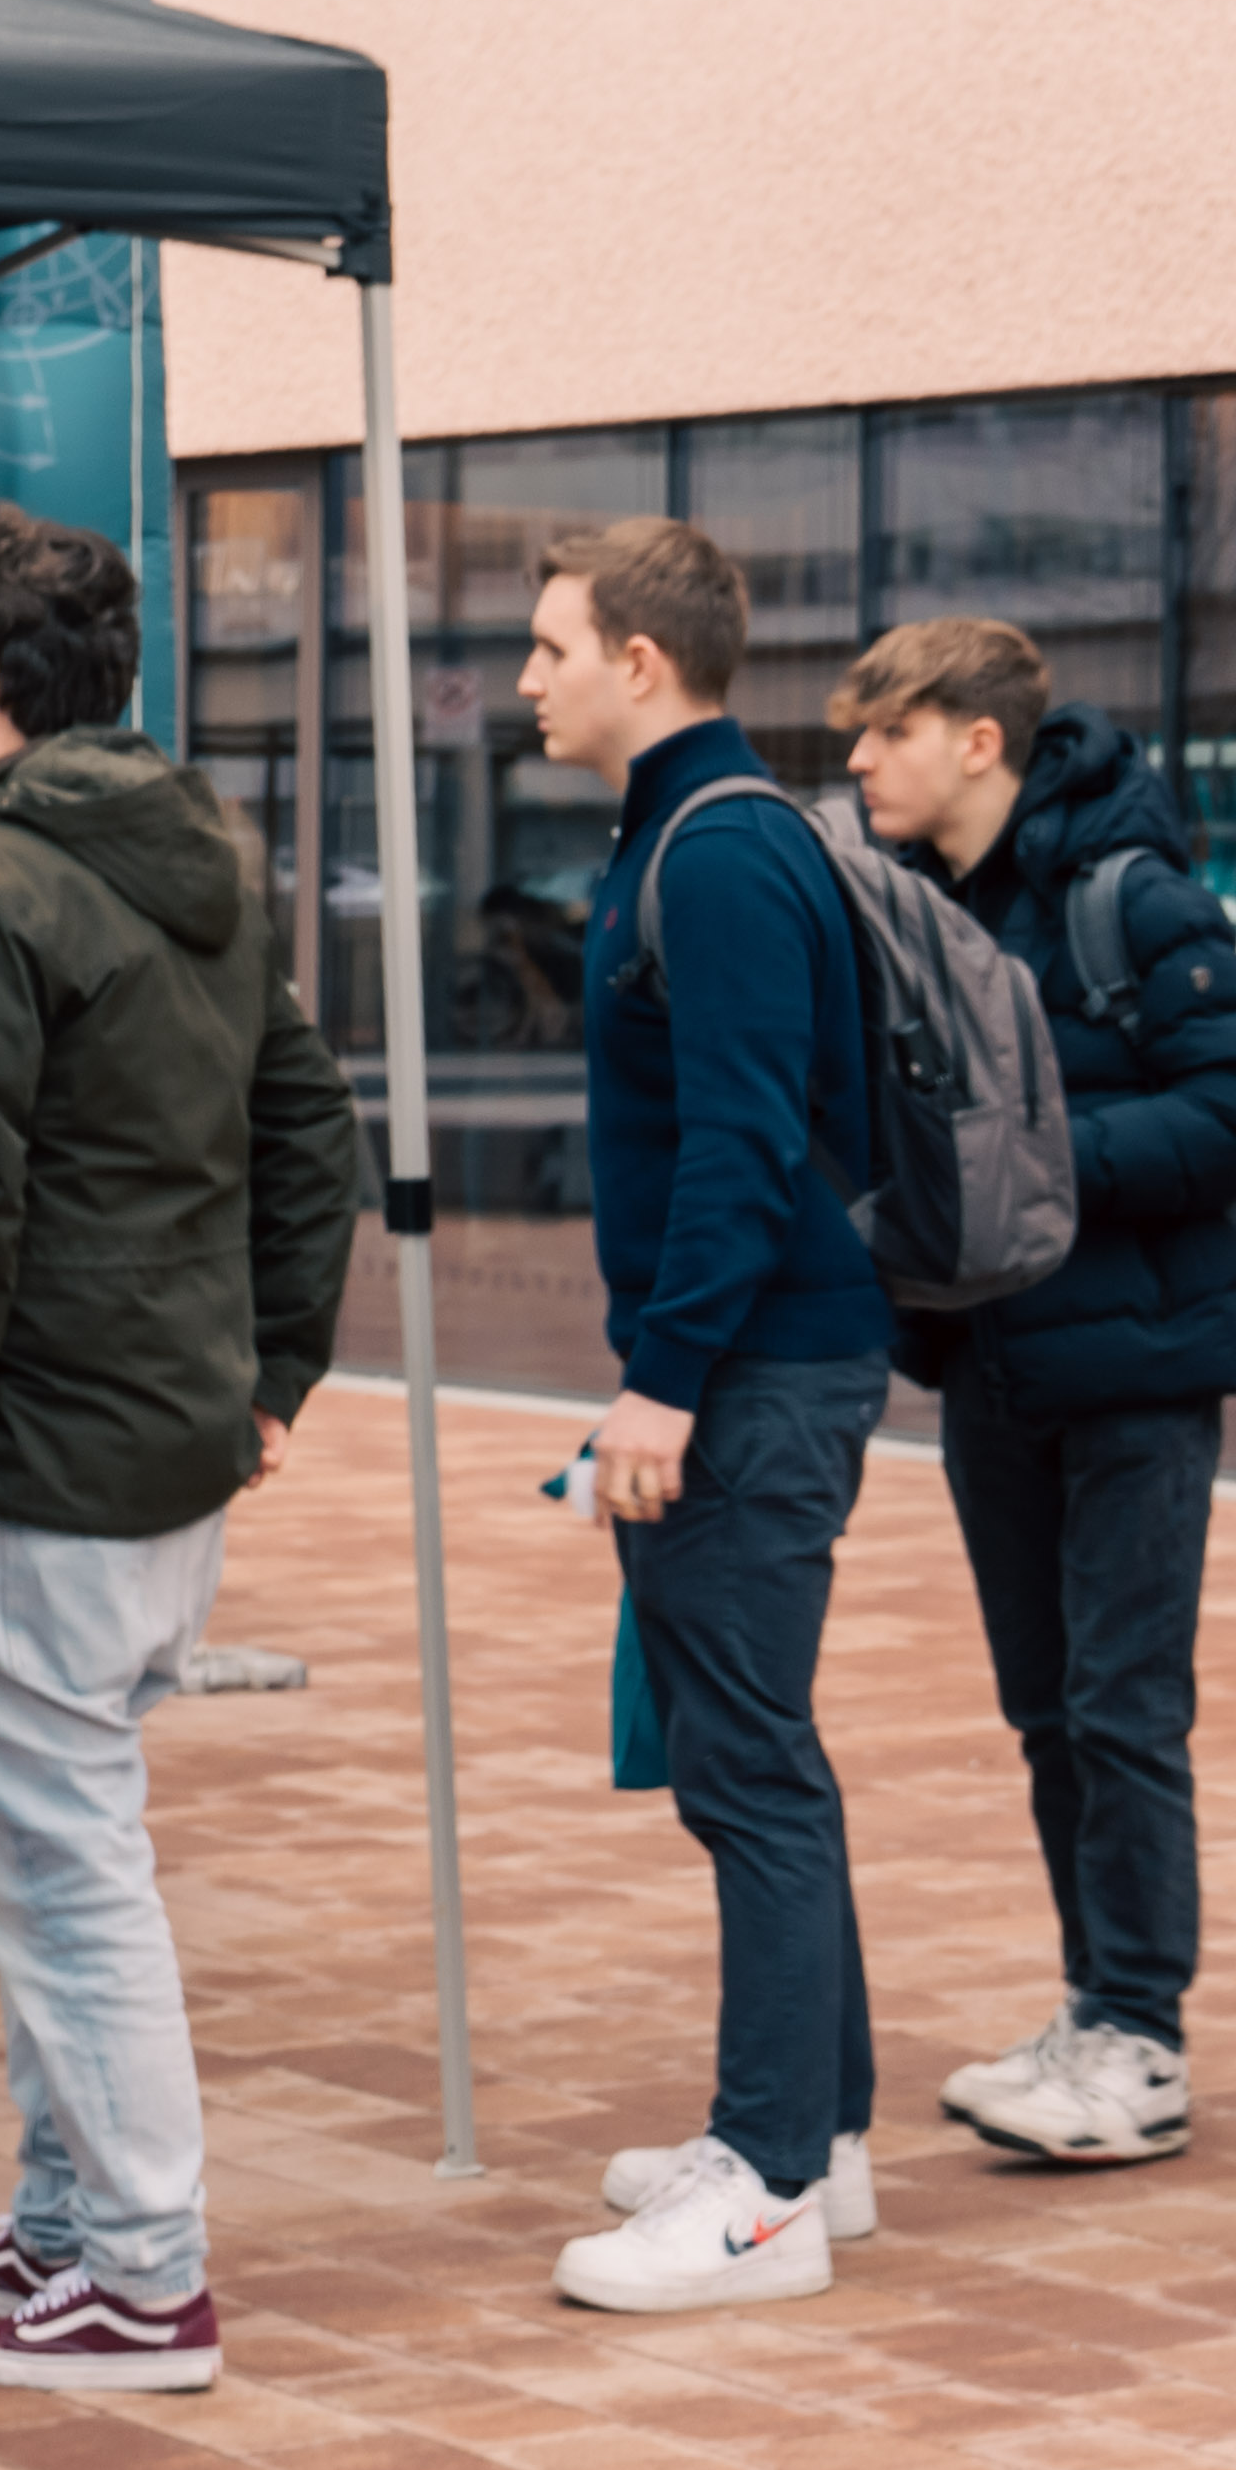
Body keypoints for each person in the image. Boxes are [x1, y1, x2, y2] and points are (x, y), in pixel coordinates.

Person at [0, 501, 356, 2393]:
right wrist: (272, 1376)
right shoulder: (195, 858)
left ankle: (146, 2276)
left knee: (61, 1885)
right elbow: (308, 1126)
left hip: (26, 1473)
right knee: (56, 1863)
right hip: (162, 1451)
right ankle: (70, 2223)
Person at [833, 615, 1236, 2173]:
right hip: (999, 1364)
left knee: (1122, 1707)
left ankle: (1141, 2040)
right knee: (1047, 1712)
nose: (859, 759)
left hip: (1141, 1369)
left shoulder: (1127, 893)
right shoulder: (925, 907)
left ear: (980, 742)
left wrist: (1029, 1163)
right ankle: (1097, 2008)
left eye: (888, 730)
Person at [514, 519, 893, 2313]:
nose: (529, 680)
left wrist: (662, 1381)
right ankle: (823, 2136)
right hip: (758, 1361)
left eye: (552, 648)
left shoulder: (720, 851)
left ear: (640, 664)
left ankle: (769, 2188)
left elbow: (743, 1143)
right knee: (762, 1753)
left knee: (748, 1771)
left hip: (752, 1372)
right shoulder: (694, 832)